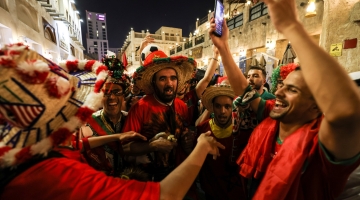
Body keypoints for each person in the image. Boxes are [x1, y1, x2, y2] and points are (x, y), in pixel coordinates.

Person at [0, 45, 225, 199]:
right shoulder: (56, 174)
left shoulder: (32, 151)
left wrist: (187, 143)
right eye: (74, 107)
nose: (81, 115)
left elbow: (81, 145)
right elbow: (164, 195)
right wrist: (200, 146)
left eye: (173, 78)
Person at [209, 0, 360, 198]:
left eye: (292, 90)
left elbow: (349, 112)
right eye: (282, 86)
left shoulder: (325, 145)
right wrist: (223, 48)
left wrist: (291, 26)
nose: (278, 92)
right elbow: (244, 90)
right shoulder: (271, 116)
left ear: (317, 105)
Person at [123, 45, 197, 182]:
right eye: (163, 79)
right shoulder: (140, 108)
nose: (169, 84)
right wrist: (151, 146)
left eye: (173, 78)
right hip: (148, 178)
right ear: (154, 82)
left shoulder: (181, 106)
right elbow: (124, 148)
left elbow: (185, 137)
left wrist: (187, 140)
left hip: (178, 173)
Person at [76, 56, 135, 176]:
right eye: (106, 92)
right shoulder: (86, 123)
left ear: (124, 95)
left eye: (117, 92)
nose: (112, 97)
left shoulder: (132, 119)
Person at [196, 84, 246, 199]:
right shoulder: (203, 129)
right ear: (212, 108)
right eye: (218, 106)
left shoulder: (242, 130)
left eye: (227, 106)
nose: (222, 111)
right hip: (210, 193)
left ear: (232, 108)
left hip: (236, 194)